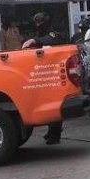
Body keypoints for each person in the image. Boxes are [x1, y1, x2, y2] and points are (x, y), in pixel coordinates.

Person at [22, 12, 65, 145]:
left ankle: (55, 134)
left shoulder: (54, 31)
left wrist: (34, 41)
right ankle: (51, 130)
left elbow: (50, 39)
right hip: (46, 71)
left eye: (40, 23)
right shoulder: (41, 32)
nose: (38, 25)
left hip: (56, 71)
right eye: (36, 23)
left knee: (54, 102)